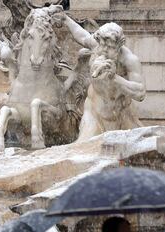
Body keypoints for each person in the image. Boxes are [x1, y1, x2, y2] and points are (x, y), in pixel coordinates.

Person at [52, 12, 146, 142]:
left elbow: (140, 93)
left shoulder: (129, 60)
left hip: (121, 115)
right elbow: (81, 34)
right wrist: (66, 19)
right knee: (83, 149)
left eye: (110, 47)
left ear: (120, 45)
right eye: (102, 45)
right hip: (94, 113)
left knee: (131, 154)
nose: (104, 50)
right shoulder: (96, 45)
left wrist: (114, 78)